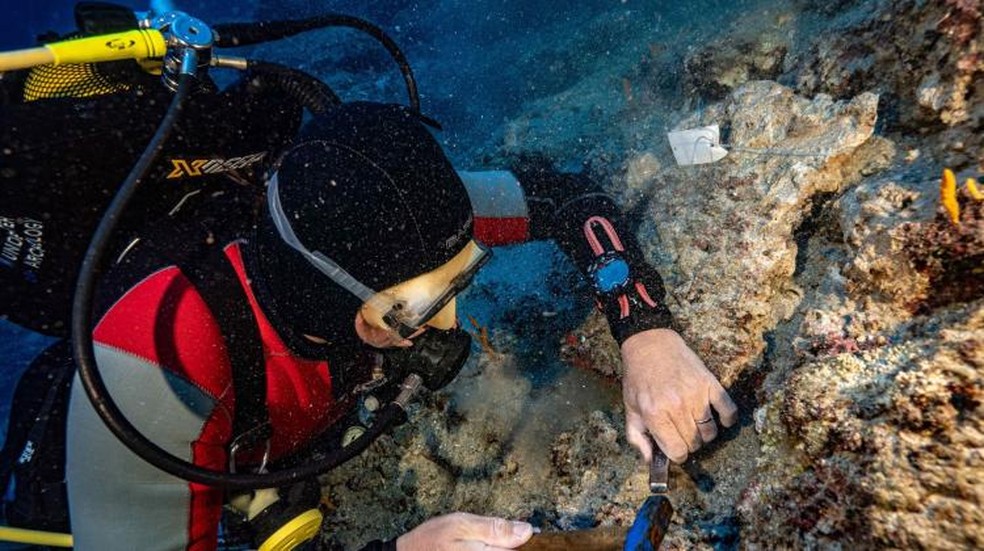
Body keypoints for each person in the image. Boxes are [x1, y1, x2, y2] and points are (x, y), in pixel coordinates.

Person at [1, 29, 737, 551]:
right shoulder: (153, 365)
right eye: (413, 310)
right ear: (332, 298)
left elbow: (566, 198)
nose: (452, 322)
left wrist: (645, 329)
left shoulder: (413, 227)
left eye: (464, 278)